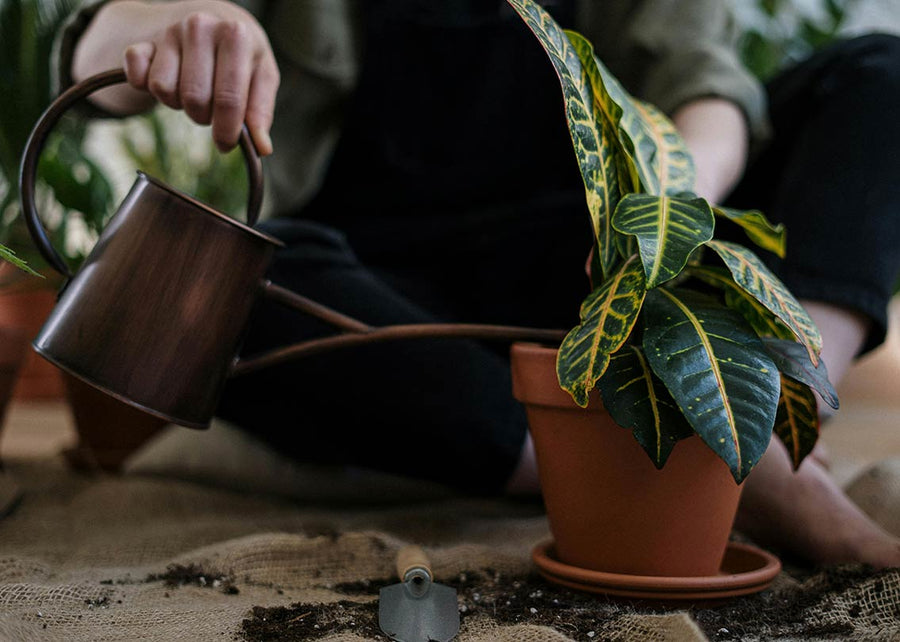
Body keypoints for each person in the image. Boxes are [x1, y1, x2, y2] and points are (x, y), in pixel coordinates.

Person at [60, 0, 900, 568]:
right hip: (383, 290)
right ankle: (678, 464)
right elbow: (90, 46)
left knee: (876, 75)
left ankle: (786, 408)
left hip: (600, 276)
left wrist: (666, 211)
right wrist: (190, 24)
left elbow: (707, 86)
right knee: (219, 291)